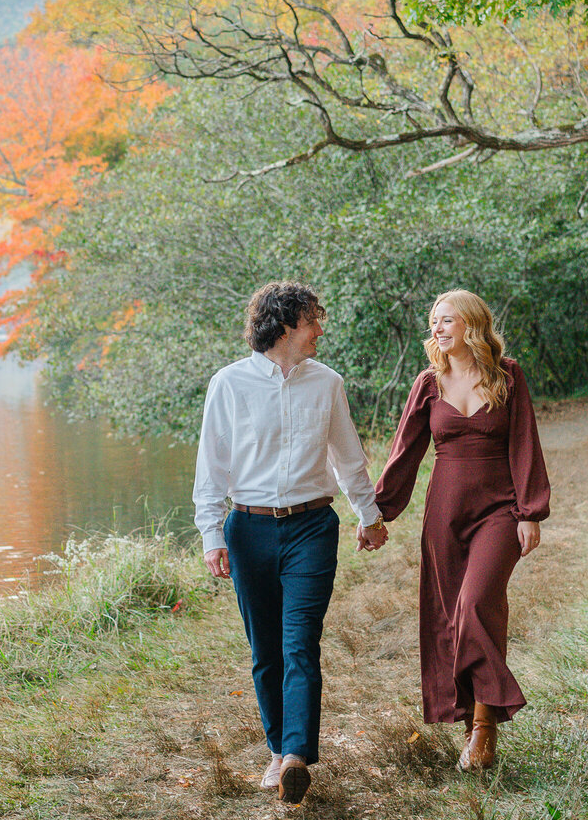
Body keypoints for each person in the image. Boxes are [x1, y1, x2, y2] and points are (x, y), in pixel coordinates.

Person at [193, 280, 388, 804]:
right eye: (312, 320)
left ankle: (298, 755)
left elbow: (349, 457)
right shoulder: (229, 384)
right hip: (249, 528)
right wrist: (213, 534)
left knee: (300, 642)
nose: (320, 330)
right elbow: (211, 467)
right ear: (284, 326)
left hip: (311, 528)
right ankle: (278, 751)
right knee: (266, 651)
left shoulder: (326, 383)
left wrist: (368, 515)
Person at [373, 289, 551, 771]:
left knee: (475, 604)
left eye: (446, 320)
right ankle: (474, 727)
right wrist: (377, 512)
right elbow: (404, 453)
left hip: (499, 510)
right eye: (434, 321)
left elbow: (524, 444)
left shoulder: (507, 376)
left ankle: (486, 728)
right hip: (445, 515)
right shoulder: (428, 383)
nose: (437, 328)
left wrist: (531, 511)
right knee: (453, 618)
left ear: (471, 324)